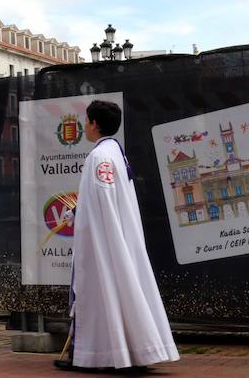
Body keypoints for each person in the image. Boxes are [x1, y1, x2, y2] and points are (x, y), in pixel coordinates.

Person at [55, 100, 179, 371]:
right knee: (114, 293)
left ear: (95, 124)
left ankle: (102, 355)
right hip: (111, 235)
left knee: (103, 293)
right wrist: (79, 210)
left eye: (86, 121)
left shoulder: (100, 157)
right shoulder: (114, 154)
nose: (84, 127)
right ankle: (120, 353)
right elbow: (106, 196)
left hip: (105, 240)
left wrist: (105, 238)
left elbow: (105, 200)